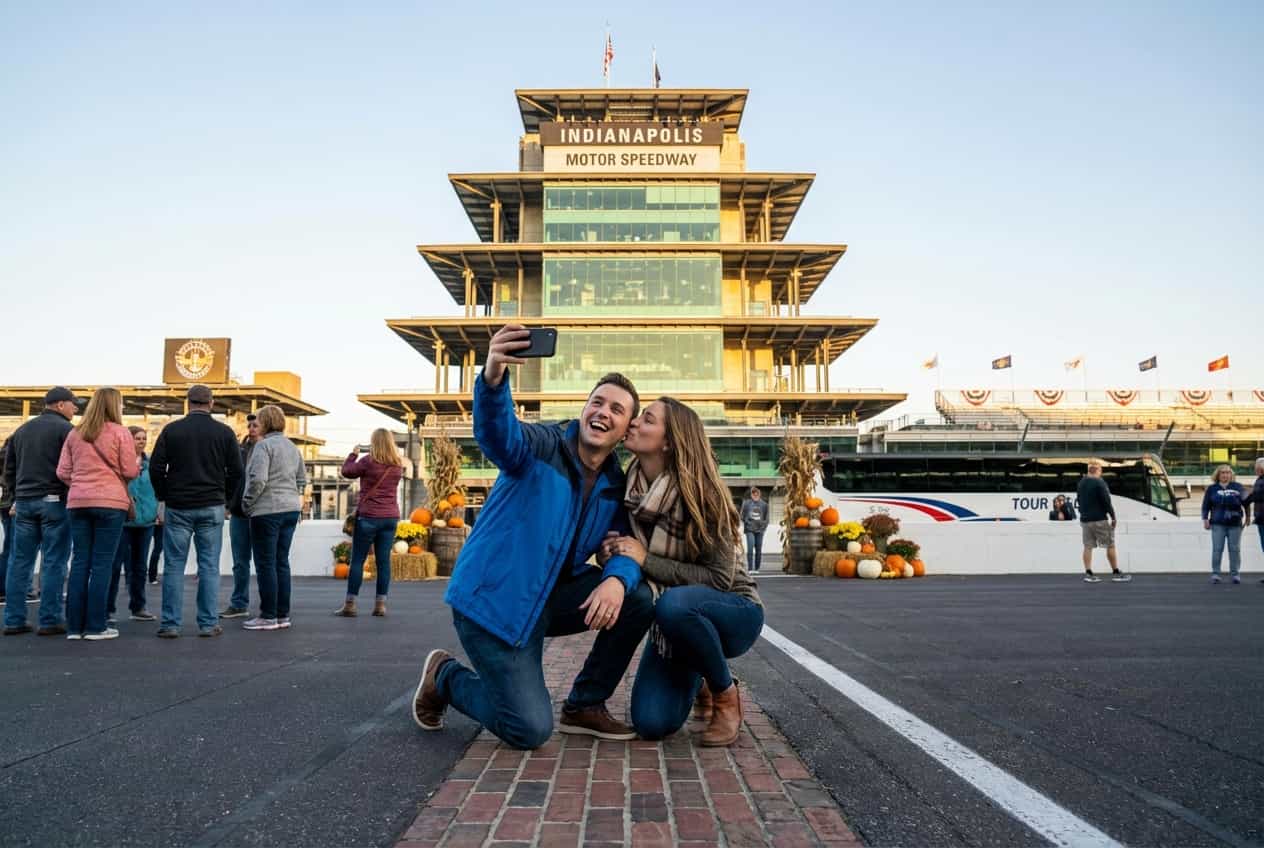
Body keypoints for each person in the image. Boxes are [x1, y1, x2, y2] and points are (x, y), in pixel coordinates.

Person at [411, 324, 654, 749]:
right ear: (584, 409)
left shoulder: (615, 483)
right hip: (493, 601)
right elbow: (499, 434)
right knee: (529, 729)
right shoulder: (542, 445)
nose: (603, 412)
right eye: (597, 402)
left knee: (635, 597)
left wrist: (616, 578)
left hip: (547, 600)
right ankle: (445, 677)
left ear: (626, 429)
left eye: (616, 409)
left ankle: (585, 705)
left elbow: (620, 544)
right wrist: (492, 379)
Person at [604, 398, 764, 746]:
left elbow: (720, 579)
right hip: (675, 624)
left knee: (673, 605)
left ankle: (725, 694)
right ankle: (703, 676)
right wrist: (612, 554)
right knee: (651, 722)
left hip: (733, 611)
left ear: (668, 441)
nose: (633, 422)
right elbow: (628, 552)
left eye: (646, 419)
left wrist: (645, 559)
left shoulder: (704, 495)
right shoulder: (629, 492)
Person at [149, 384, 242, 638]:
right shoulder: (224, 433)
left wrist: (163, 495)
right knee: (209, 566)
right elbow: (237, 472)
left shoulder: (172, 430)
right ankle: (208, 623)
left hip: (178, 506)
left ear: (188, 403)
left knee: (174, 566)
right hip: (212, 506)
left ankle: (170, 624)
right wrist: (227, 502)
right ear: (211, 403)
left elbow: (156, 468)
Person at [57, 387, 138, 640]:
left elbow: (62, 471)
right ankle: (95, 626)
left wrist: (82, 484)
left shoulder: (74, 433)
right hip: (111, 504)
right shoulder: (120, 432)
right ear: (115, 406)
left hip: (78, 502)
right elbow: (129, 471)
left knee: (80, 562)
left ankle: (73, 628)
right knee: (102, 564)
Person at [3, 387, 77, 636]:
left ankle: (13, 620)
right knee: (54, 561)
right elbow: (72, 467)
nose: (75, 409)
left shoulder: (21, 431)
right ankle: (50, 619)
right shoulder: (66, 430)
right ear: (59, 405)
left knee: (19, 561)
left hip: (24, 502)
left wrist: (15, 496)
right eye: (72, 404)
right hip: (54, 501)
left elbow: (8, 469)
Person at [241, 404, 305, 632]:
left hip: (267, 510)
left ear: (265, 422)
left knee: (265, 563)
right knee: (281, 562)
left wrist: (247, 503)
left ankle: (268, 616)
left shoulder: (263, 446)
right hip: (290, 509)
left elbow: (258, 479)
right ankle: (282, 614)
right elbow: (301, 479)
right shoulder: (292, 447)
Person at [337, 428, 404, 617]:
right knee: (383, 562)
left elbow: (346, 472)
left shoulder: (367, 462)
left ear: (373, 443)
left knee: (358, 560)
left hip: (368, 517)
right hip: (390, 518)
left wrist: (353, 454)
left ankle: (350, 605)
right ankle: (380, 605)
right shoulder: (397, 464)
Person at [107, 426, 159, 623]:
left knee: (139, 567)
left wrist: (156, 511)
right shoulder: (118, 463)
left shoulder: (150, 465)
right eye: (137, 438)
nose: (141, 441)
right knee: (114, 565)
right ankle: (108, 608)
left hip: (145, 523)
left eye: (144, 438)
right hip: (122, 522)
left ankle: (138, 607)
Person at [221, 414, 261, 619]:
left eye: (256, 425)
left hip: (261, 513)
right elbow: (228, 477)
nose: (252, 429)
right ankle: (239, 604)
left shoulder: (268, 449)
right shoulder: (239, 450)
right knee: (240, 561)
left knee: (265, 561)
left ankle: (269, 606)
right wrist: (229, 503)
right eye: (250, 425)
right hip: (238, 512)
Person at [1077, 461, 1129, 583]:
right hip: (1099, 519)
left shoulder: (1081, 483)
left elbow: (1079, 500)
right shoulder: (1099, 482)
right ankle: (1116, 572)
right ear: (1097, 470)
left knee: (1088, 546)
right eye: (1101, 471)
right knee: (1110, 545)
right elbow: (1106, 501)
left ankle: (1088, 573)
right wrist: (1113, 517)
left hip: (1085, 520)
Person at [1201, 464, 1246, 584]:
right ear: (1218, 475)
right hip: (1217, 524)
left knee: (1235, 549)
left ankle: (1235, 574)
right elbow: (1205, 505)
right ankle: (1216, 574)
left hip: (1235, 524)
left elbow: (1245, 503)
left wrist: (1248, 518)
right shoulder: (1212, 489)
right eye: (1223, 472)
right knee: (1217, 549)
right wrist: (1205, 519)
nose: (1225, 475)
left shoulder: (1239, 487)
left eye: (1228, 472)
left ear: (1231, 475)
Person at [739, 486, 769, 572]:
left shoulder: (764, 505)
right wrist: (747, 522)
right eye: (753, 493)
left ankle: (757, 568)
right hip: (750, 530)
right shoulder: (746, 503)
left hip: (760, 530)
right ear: (751, 495)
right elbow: (742, 515)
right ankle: (750, 568)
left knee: (758, 549)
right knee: (750, 548)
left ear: (759, 494)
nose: (755, 495)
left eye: (757, 494)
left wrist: (763, 527)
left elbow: (767, 518)